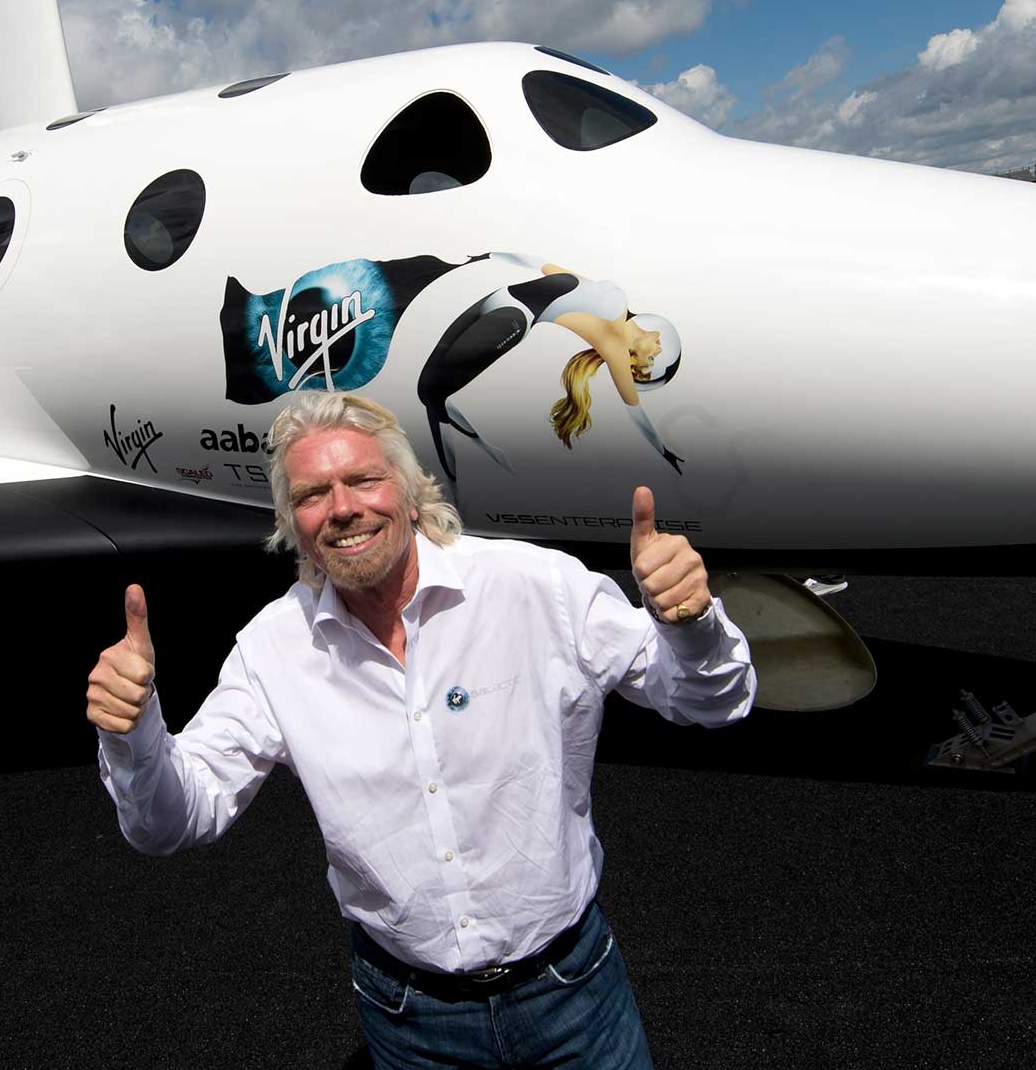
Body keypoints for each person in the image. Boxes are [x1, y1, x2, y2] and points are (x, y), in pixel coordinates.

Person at [87, 391, 754, 1069]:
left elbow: (710, 701)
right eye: (314, 493)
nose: (343, 507)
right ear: (293, 523)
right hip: (411, 1017)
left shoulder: (532, 587)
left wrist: (690, 624)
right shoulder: (272, 650)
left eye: (364, 480)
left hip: (571, 990)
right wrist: (134, 734)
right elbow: (174, 820)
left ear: (411, 496)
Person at [414, 254, 685, 502]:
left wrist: (663, 450)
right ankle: (488, 449)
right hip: (498, 297)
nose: (659, 348)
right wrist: (492, 254)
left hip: (513, 318)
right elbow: (543, 265)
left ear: (633, 360)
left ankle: (455, 494)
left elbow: (636, 413)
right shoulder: (618, 301)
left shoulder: (612, 345)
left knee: (431, 395)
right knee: (428, 390)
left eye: (651, 360)